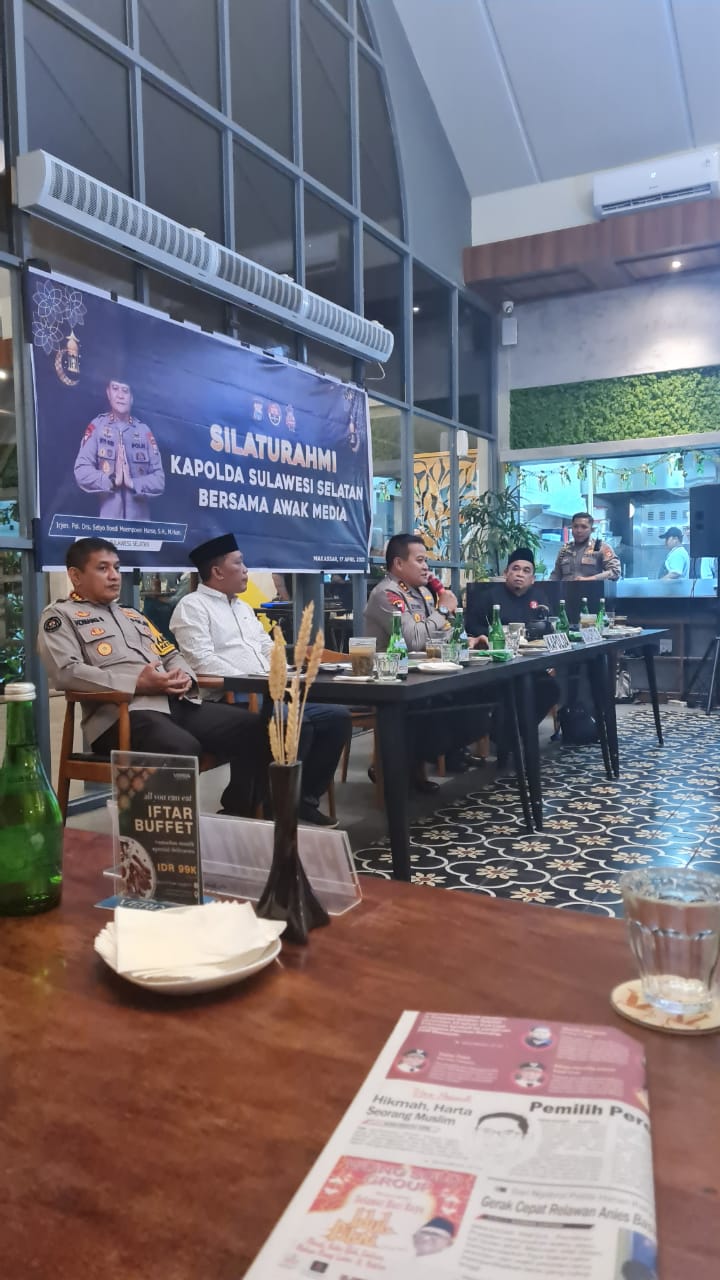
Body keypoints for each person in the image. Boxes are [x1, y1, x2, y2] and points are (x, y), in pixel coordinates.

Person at [38, 537, 268, 817]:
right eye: (102, 568)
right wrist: (136, 684)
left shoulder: (132, 614)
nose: (114, 576)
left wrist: (183, 675)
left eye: (116, 568)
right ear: (75, 576)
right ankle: (163, 837)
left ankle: (239, 815)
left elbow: (171, 654)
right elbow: (66, 672)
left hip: (173, 704)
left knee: (257, 726)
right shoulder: (60, 616)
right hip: (121, 715)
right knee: (182, 747)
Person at [169, 534, 351, 828]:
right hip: (229, 699)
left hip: (271, 693)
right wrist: (253, 682)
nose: (246, 571)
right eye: (239, 564)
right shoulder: (192, 606)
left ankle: (303, 801)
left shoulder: (242, 607)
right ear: (217, 571)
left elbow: (268, 649)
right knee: (294, 723)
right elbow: (202, 662)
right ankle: (264, 805)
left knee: (337, 717)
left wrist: (287, 673)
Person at [364, 532, 487, 781]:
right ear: (399, 563)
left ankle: (427, 758)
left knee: (476, 695)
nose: (426, 567)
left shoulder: (421, 592)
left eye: (426, 561)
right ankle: (394, 766)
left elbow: (436, 633)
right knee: (444, 703)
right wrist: (443, 609)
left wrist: (465, 640)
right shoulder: (387, 594)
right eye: (419, 560)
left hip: (420, 673)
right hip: (391, 679)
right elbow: (413, 640)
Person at [465, 548, 561, 743]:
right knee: (510, 691)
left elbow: (548, 626)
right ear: (505, 573)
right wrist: (491, 634)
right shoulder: (489, 597)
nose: (520, 574)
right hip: (496, 666)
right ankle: (509, 738)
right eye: (515, 569)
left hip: (530, 665)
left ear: (532, 579)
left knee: (550, 689)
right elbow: (471, 626)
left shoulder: (539, 597)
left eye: (526, 571)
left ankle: (513, 735)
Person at [74, 375, 165, 519]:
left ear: (132, 398)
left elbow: (159, 480)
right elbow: (81, 471)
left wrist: (132, 483)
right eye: (115, 388)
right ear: (108, 393)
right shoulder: (97, 426)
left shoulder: (144, 431)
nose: (120, 395)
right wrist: (111, 482)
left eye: (125, 390)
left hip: (140, 528)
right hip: (108, 526)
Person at [550, 512, 621, 582]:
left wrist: (589, 579)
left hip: (591, 589)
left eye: (584, 527)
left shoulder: (601, 547)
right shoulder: (565, 549)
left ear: (592, 530)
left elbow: (615, 571)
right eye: (575, 526)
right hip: (567, 589)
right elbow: (556, 575)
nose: (579, 530)